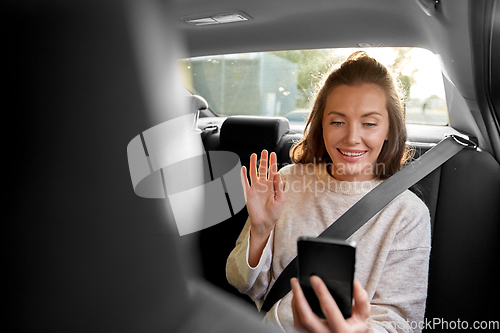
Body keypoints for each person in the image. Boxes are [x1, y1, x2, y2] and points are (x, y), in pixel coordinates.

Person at [226, 51, 431, 333]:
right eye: (337, 121)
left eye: (369, 123)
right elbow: (243, 283)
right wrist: (260, 231)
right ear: (321, 124)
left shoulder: (407, 214)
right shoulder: (285, 182)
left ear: (389, 129)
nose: (351, 137)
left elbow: (402, 322)